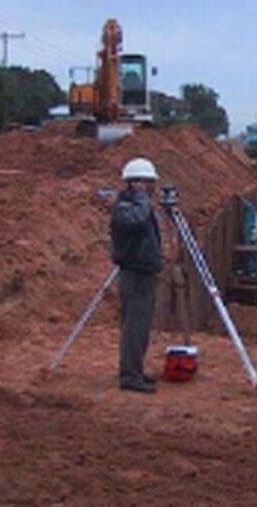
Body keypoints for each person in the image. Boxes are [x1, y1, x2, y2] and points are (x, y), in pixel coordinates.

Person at [110, 157, 164, 393]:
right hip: (135, 272)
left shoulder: (137, 205)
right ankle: (130, 376)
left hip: (145, 270)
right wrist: (143, 198)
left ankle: (136, 370)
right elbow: (138, 221)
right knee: (134, 326)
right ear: (135, 183)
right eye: (147, 183)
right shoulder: (124, 208)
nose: (151, 187)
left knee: (140, 327)